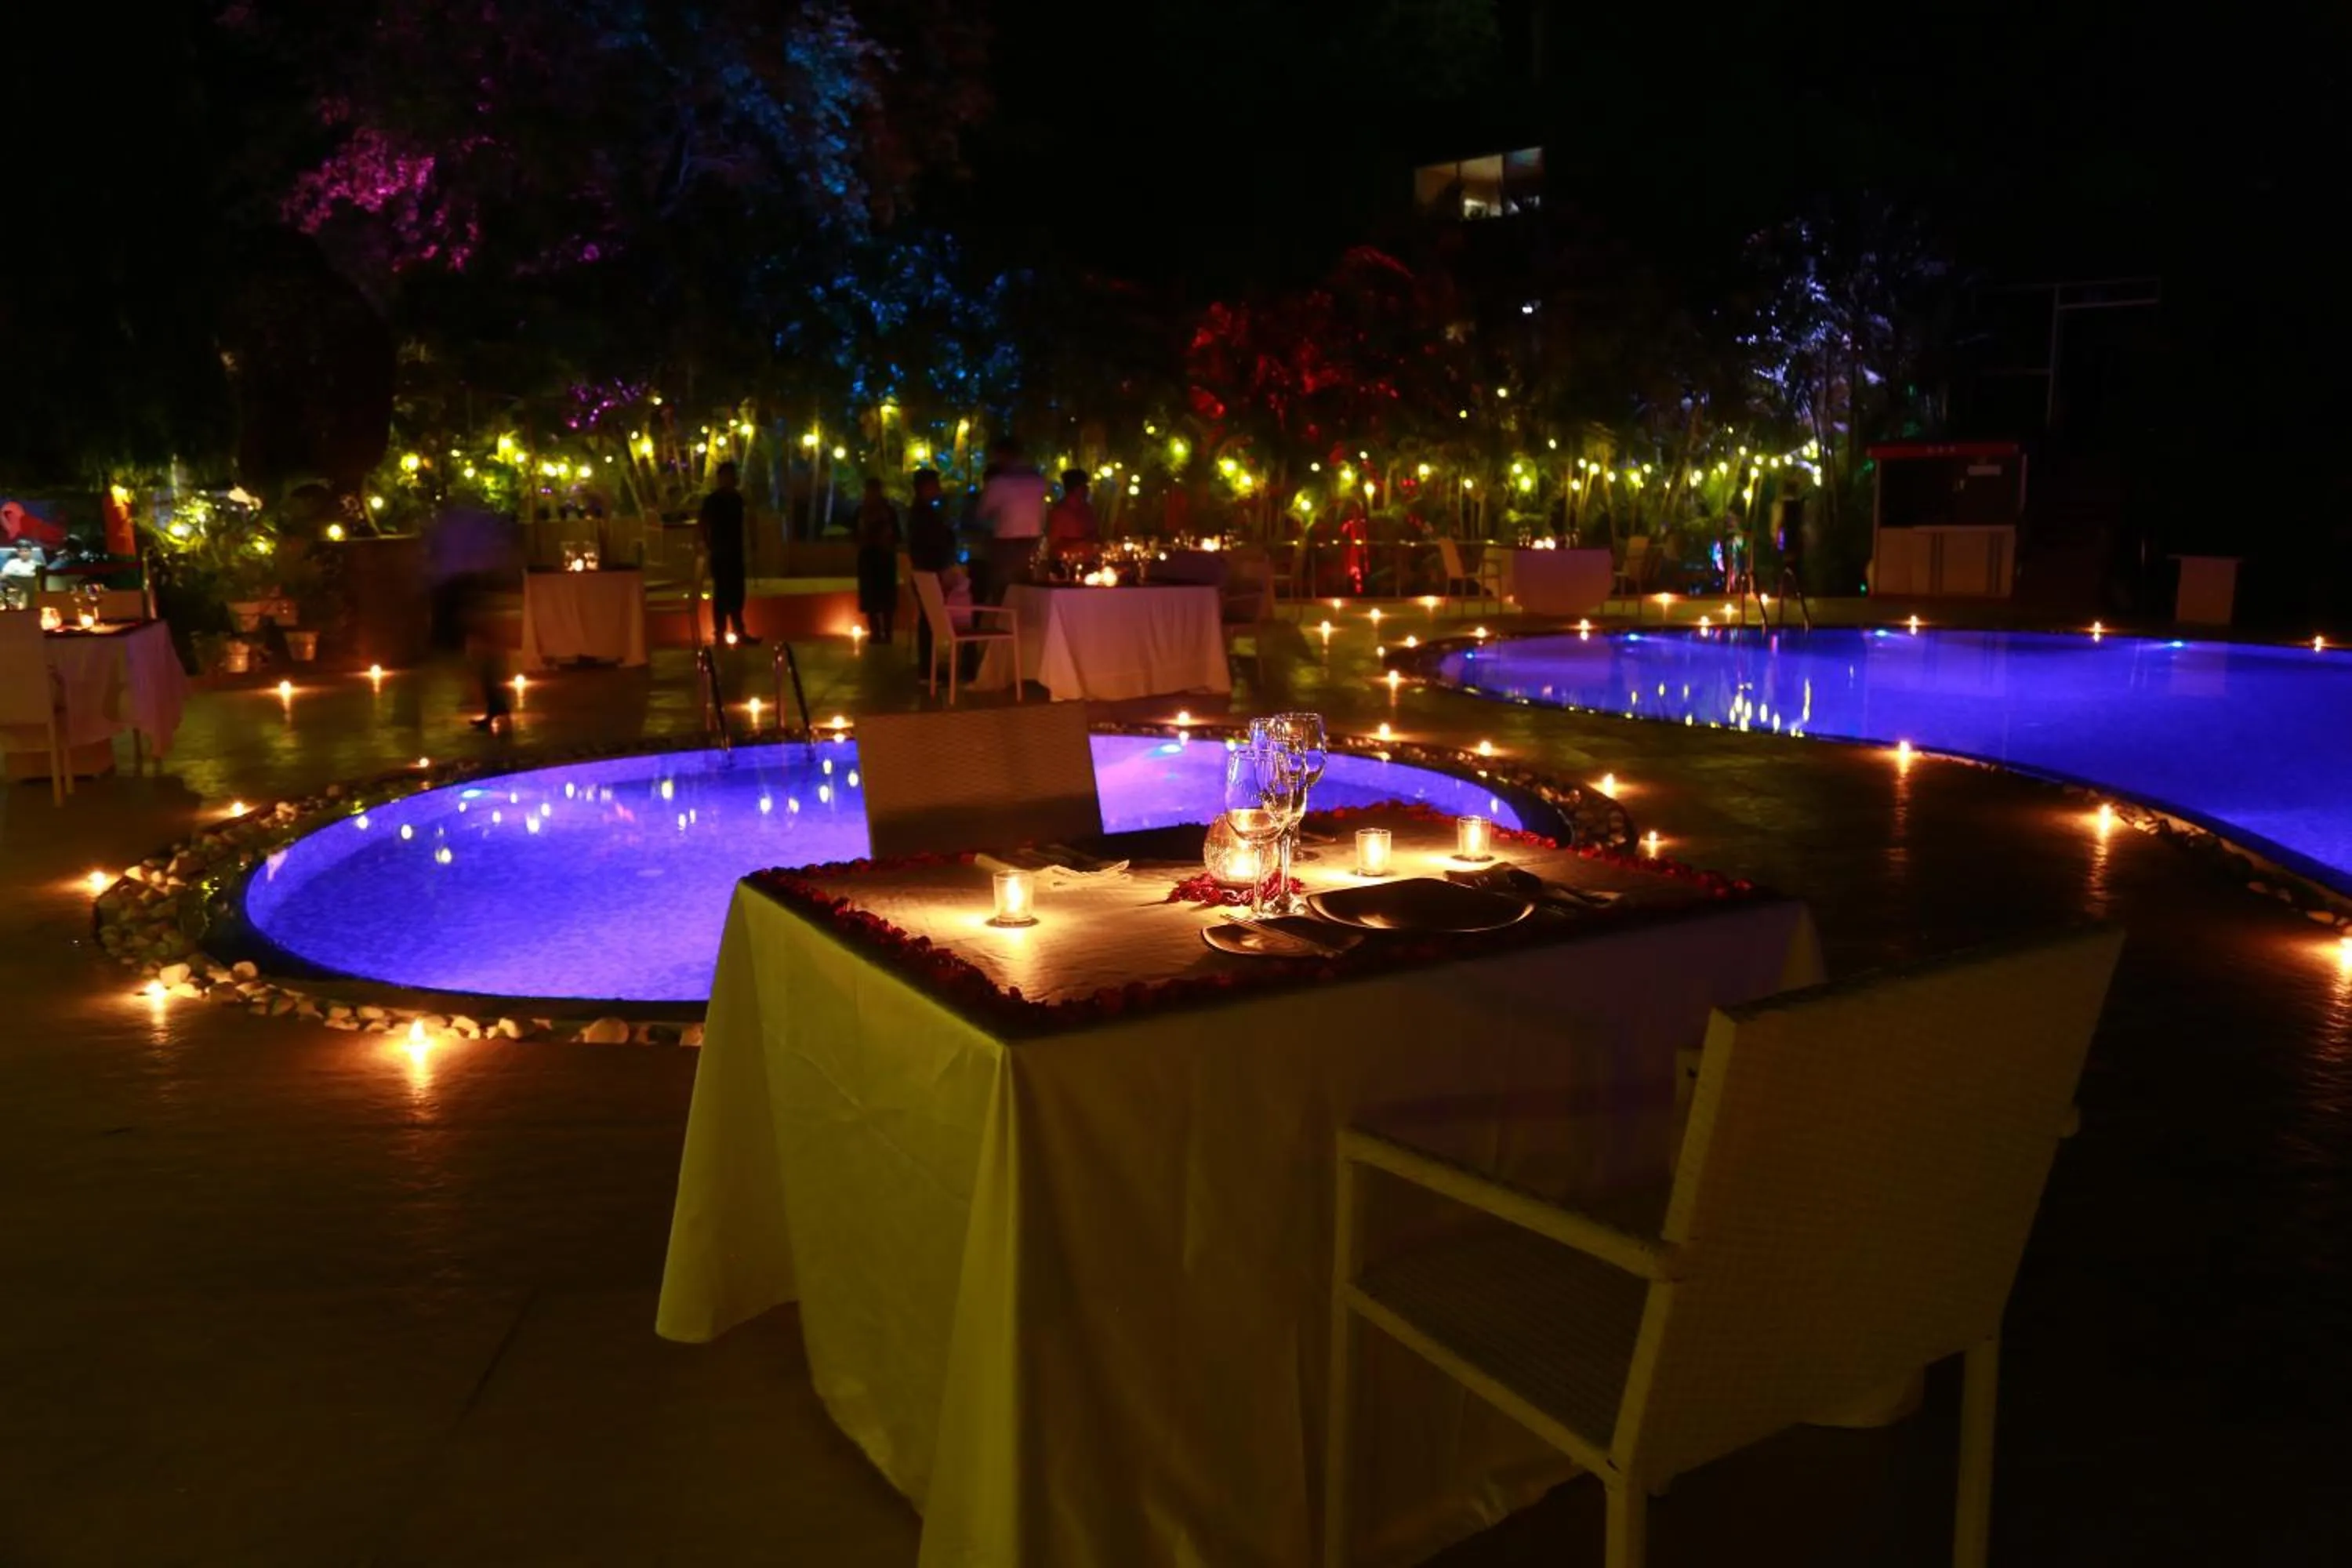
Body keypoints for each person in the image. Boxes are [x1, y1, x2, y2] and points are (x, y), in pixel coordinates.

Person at [973, 437, 1048, 602]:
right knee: (1027, 588)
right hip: (1033, 541)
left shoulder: (999, 482)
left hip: (1006, 543)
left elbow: (982, 513)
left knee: (1004, 590)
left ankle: (1004, 616)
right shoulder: (1037, 481)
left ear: (1002, 455)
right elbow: (1042, 513)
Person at [698, 461, 756, 644]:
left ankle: (739, 631)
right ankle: (720, 632)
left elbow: (745, 523)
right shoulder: (713, 500)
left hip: (735, 552)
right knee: (722, 593)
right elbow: (703, 524)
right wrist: (707, 544)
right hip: (720, 553)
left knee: (736, 593)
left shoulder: (737, 499)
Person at [854, 477, 900, 644]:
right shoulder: (864, 512)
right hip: (871, 559)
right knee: (873, 599)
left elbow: (897, 535)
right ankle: (877, 632)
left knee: (884, 599)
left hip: (883, 559)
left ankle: (885, 633)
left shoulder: (886, 512)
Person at [1047, 469, 1099, 558]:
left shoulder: (1088, 509)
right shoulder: (1060, 512)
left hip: (1088, 561)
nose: (1087, 489)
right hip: (1066, 562)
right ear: (1076, 488)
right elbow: (1053, 542)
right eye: (1084, 485)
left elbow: (1095, 533)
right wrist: (1079, 543)